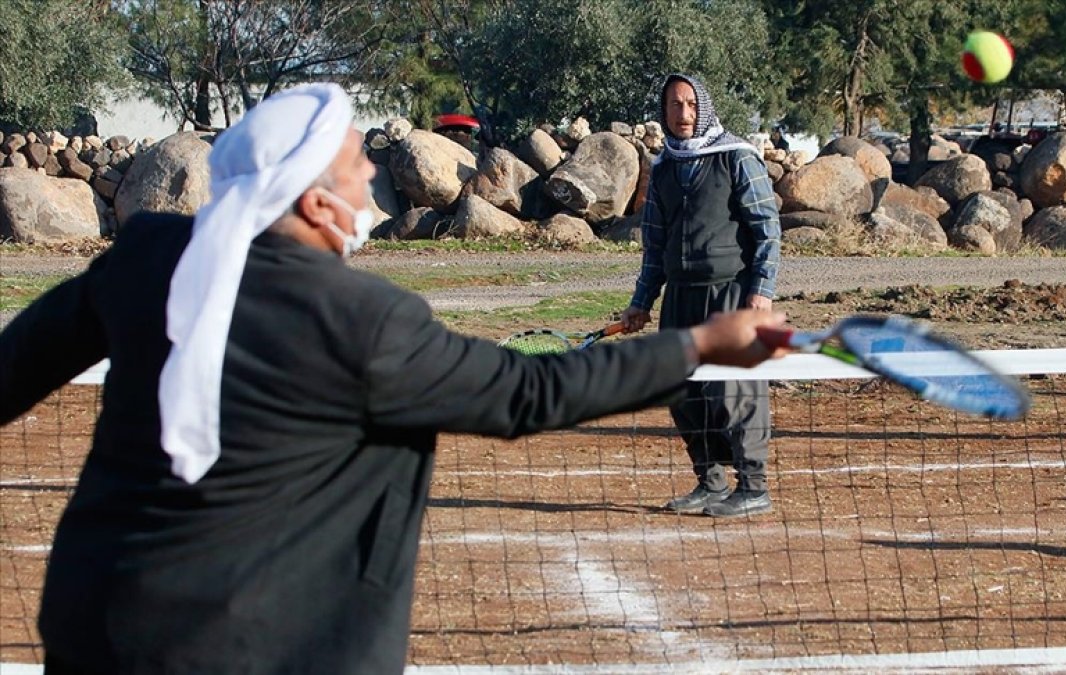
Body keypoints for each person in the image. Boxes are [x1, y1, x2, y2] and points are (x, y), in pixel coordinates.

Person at [0, 83, 785, 673]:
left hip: (91, 619)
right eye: (356, 162)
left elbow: (11, 368)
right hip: (250, 648)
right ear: (313, 200)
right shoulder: (367, 319)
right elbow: (533, 393)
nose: (374, 171)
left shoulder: (145, 257)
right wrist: (704, 344)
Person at [619, 73, 782, 518]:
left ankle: (753, 487)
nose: (684, 114)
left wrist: (761, 292)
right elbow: (654, 246)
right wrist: (642, 302)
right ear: (664, 111)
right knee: (683, 392)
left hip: (731, 293)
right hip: (680, 298)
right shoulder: (665, 167)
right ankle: (710, 481)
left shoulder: (736, 157)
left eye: (691, 104)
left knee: (735, 390)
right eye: (674, 105)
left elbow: (768, 230)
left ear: (704, 107)